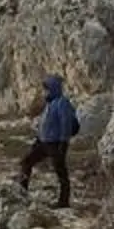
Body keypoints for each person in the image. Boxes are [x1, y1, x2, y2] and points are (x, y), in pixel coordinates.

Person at [18, 74, 80, 207]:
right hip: (43, 142)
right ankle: (21, 193)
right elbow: (44, 125)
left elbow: (65, 124)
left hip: (56, 143)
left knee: (61, 172)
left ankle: (63, 202)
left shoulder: (62, 103)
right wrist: (38, 139)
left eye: (46, 89)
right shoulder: (50, 103)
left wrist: (63, 143)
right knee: (26, 162)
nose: (44, 92)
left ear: (53, 88)